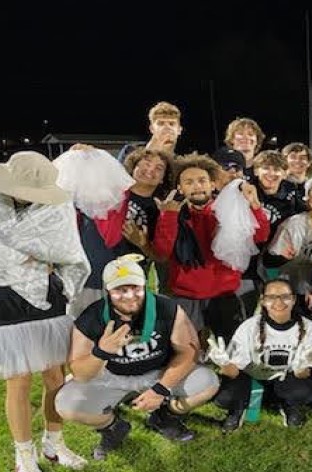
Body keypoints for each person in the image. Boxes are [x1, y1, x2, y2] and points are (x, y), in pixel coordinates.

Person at [0, 151, 91, 472]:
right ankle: (23, 455)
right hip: (5, 295)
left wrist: (39, 258)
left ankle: (54, 444)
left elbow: (64, 247)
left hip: (49, 290)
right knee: (19, 380)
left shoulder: (55, 200)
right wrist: (33, 258)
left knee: (55, 376)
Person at [56, 254, 219, 451]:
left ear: (144, 286)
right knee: (66, 404)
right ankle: (113, 427)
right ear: (107, 290)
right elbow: (81, 372)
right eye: (120, 290)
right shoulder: (92, 317)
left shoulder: (167, 308)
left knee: (208, 383)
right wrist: (101, 352)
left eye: (136, 288)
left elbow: (189, 351)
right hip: (112, 376)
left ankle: (164, 417)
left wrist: (161, 389)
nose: (130, 296)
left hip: (157, 373)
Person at [152, 152, 270, 339]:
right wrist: (168, 217)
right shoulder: (171, 213)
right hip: (185, 297)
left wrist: (255, 205)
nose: (197, 186)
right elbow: (162, 252)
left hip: (223, 297)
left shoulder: (227, 211)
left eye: (201, 180)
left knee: (228, 355)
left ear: (212, 184)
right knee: (186, 352)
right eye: (189, 182)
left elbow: (260, 237)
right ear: (180, 188)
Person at [68, 147, 175, 316]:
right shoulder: (105, 193)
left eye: (159, 168)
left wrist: (142, 243)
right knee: (82, 334)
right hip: (89, 281)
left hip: (127, 284)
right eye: (145, 164)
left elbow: (160, 256)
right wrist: (88, 154)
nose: (150, 170)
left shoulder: (161, 208)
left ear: (163, 179)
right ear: (133, 168)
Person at [206, 277, 312, 429]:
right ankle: (239, 409)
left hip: (284, 378)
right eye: (271, 297)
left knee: (305, 393)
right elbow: (233, 371)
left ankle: (286, 405)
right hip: (250, 376)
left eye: (285, 297)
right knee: (224, 398)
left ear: (293, 300)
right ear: (263, 301)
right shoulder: (249, 327)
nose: (278, 302)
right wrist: (224, 364)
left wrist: (301, 368)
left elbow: (303, 374)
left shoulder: (309, 328)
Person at [264, 178, 312, 318]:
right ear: (310, 201)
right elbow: (269, 264)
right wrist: (274, 288)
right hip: (288, 278)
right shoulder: (295, 225)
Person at [117, 101, 184, 162]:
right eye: (161, 123)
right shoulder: (130, 151)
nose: (167, 127)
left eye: (172, 124)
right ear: (152, 129)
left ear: (179, 130)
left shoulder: (180, 163)